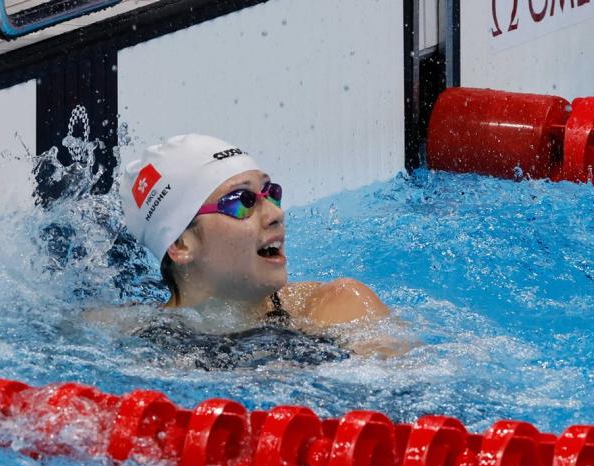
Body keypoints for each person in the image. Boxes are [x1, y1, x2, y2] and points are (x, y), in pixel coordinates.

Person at [118, 134, 399, 357]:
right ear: (180, 244)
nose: (276, 214)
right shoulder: (133, 336)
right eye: (243, 201)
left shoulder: (339, 307)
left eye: (271, 193)